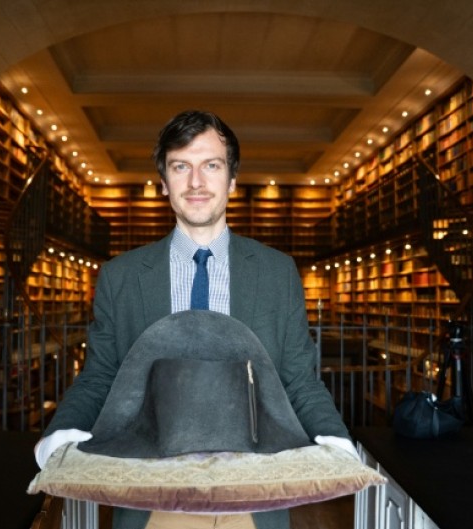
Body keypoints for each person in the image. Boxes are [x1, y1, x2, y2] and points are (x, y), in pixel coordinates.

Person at [35, 110, 356, 529]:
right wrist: (62, 433)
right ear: (165, 184)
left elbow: (298, 377)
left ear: (232, 181)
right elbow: (101, 375)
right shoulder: (122, 276)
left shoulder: (277, 273)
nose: (197, 182)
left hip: (252, 491)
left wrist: (336, 438)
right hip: (151, 491)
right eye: (181, 166)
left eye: (212, 166)